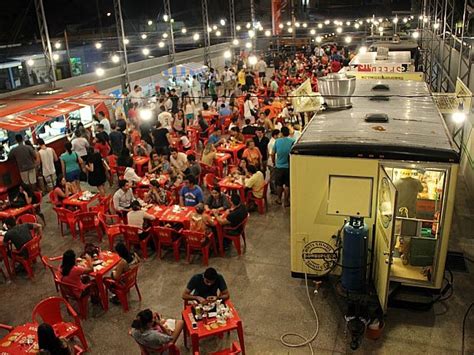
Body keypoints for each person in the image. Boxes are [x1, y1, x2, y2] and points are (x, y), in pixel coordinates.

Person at [271, 126, 295, 207]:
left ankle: (279, 199)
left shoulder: (277, 141)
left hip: (279, 166)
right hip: (288, 166)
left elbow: (272, 153)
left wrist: (274, 162)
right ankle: (286, 201)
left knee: (279, 184)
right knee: (287, 184)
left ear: (281, 133)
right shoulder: (292, 141)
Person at [267, 129, 280, 195]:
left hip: (274, 161)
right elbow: (271, 154)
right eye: (279, 135)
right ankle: (273, 190)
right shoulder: (272, 143)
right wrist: (274, 162)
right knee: (273, 177)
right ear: (275, 135)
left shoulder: (275, 141)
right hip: (272, 162)